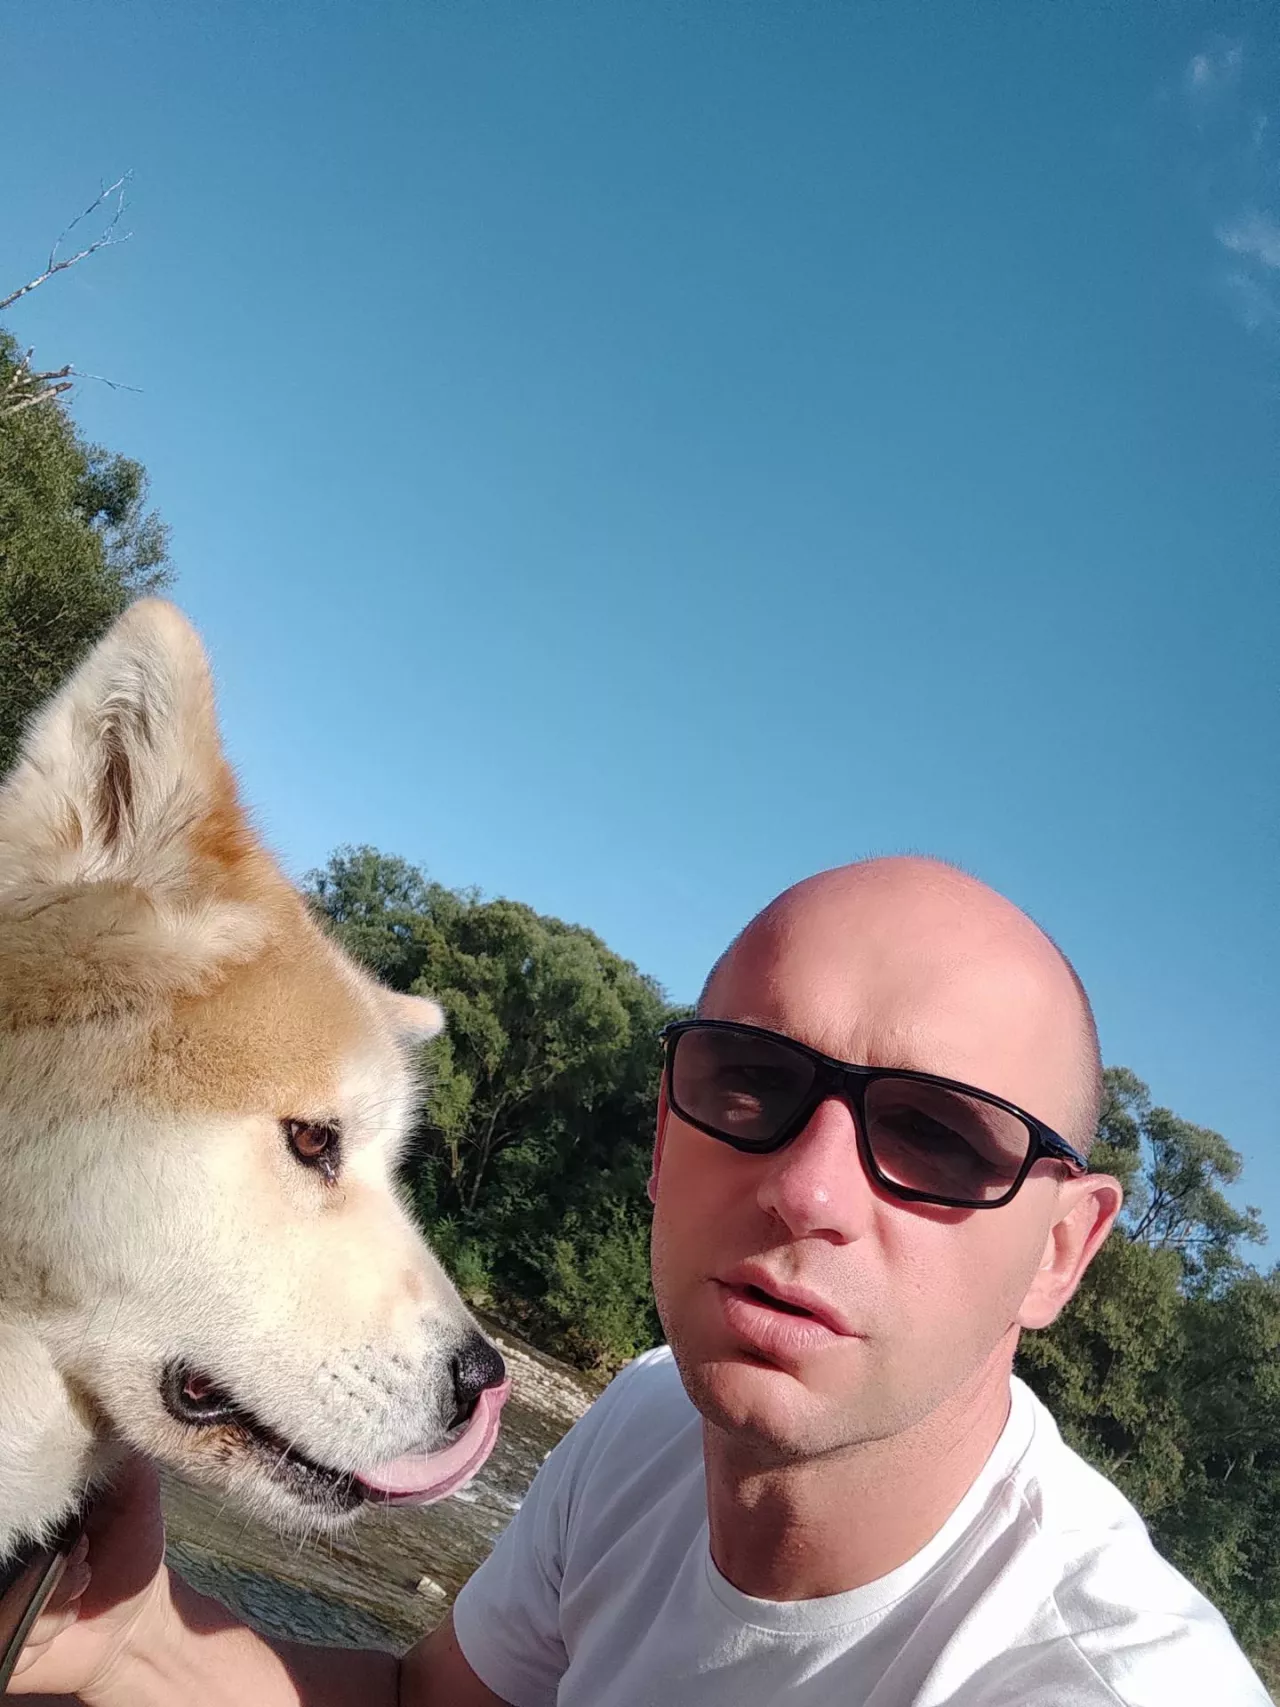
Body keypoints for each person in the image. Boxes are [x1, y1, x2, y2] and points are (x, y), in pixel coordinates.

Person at [11, 857, 1269, 1704]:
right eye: (750, 1084)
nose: (808, 1191)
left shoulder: (1088, 1682)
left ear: (1058, 1252)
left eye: (937, 1139)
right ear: (666, 1138)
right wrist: (132, 1639)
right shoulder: (648, 1425)